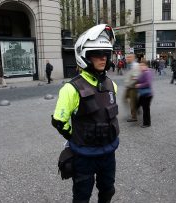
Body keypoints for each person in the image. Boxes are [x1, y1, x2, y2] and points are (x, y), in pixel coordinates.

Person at [51, 24, 119, 203]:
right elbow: (59, 121)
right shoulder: (71, 88)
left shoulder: (112, 85)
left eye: (105, 54)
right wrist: (74, 137)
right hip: (84, 156)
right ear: (85, 56)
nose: (103, 58)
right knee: (81, 197)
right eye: (97, 54)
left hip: (108, 153)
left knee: (108, 191)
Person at [136, 59, 153, 128]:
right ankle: (137, 112)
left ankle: (147, 123)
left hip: (147, 94)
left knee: (146, 109)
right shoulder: (143, 72)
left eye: (142, 65)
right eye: (140, 65)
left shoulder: (147, 72)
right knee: (138, 104)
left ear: (146, 66)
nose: (140, 67)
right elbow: (141, 79)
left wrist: (139, 85)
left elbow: (148, 83)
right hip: (143, 94)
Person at [124, 54, 140, 122]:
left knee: (132, 102)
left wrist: (129, 84)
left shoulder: (135, 66)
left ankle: (134, 117)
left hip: (133, 87)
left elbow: (135, 77)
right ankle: (137, 108)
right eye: (127, 57)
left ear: (133, 58)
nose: (127, 59)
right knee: (125, 98)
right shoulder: (129, 65)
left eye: (129, 57)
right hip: (129, 86)